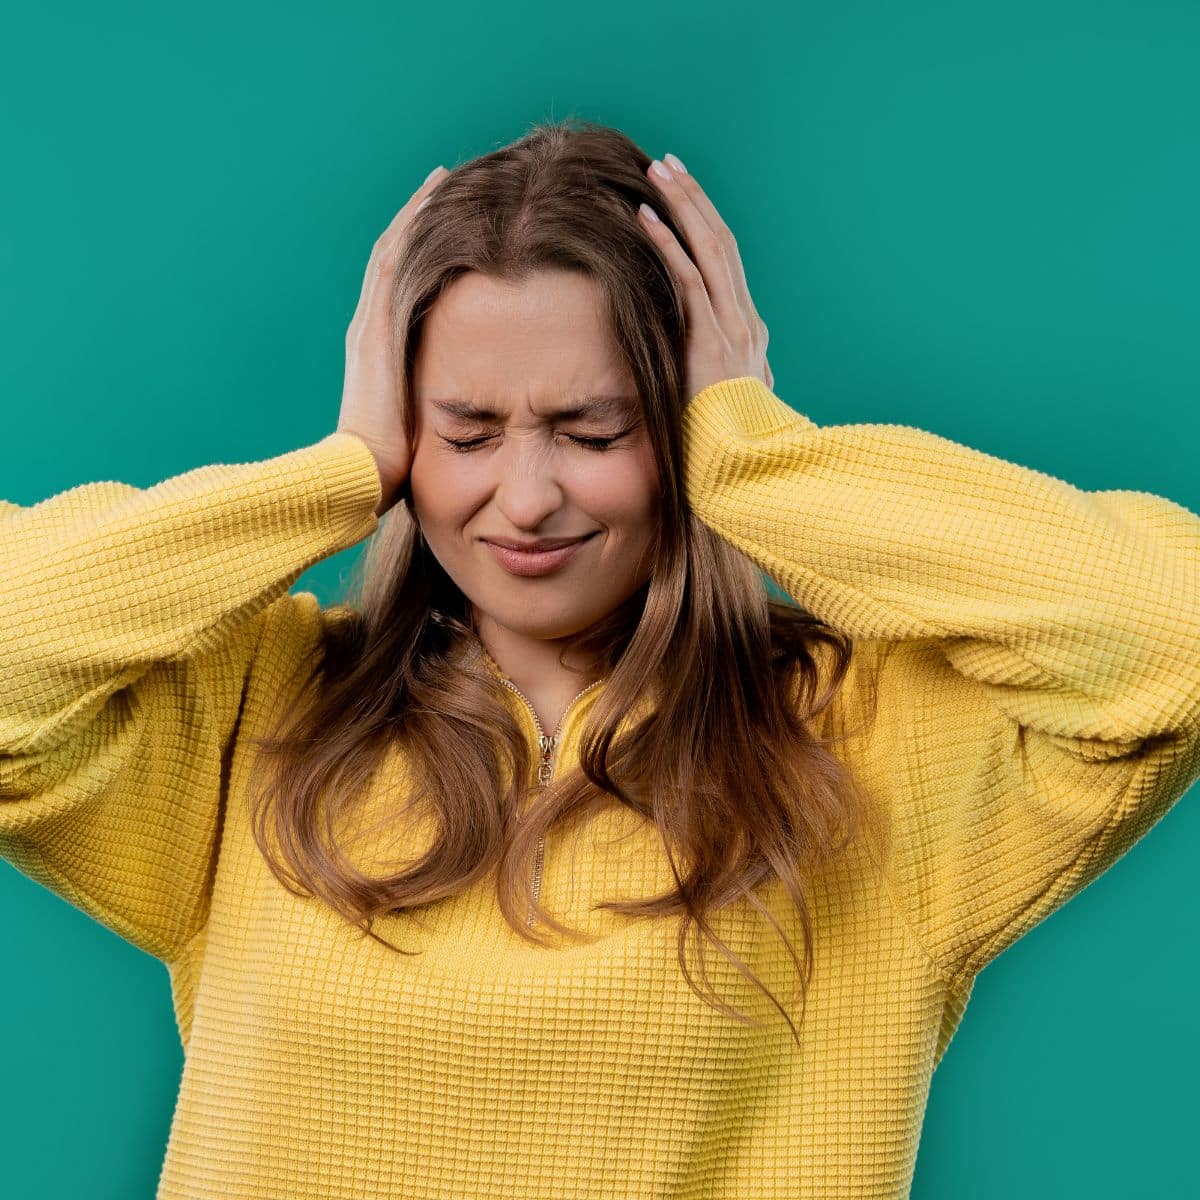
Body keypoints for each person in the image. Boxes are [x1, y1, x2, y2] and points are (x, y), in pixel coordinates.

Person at [2, 118, 1198, 1200]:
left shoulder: (875, 744)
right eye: (466, 432)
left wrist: (754, 462)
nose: (526, 498)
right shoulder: (250, 713)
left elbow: (1172, 631)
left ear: (679, 420)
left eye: (596, 430)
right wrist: (340, 472)